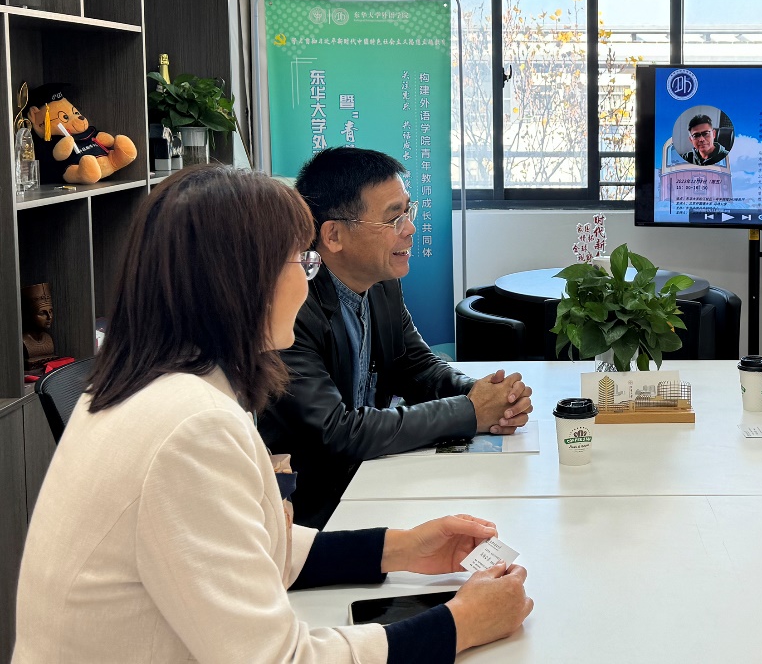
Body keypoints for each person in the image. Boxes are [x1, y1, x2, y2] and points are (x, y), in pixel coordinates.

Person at [12, 165, 533, 663]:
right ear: (240, 282)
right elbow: (278, 658)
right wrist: (460, 624)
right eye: (300, 262)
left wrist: (403, 548)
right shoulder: (191, 427)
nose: (308, 282)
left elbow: (256, 547)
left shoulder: (158, 385)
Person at [258, 148, 534, 529]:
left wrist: (485, 395)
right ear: (333, 235)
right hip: (315, 512)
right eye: (393, 218)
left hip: (374, 478)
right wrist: (470, 412)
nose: (410, 229)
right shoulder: (291, 307)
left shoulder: (381, 282)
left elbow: (415, 365)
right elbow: (337, 430)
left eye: (408, 211)